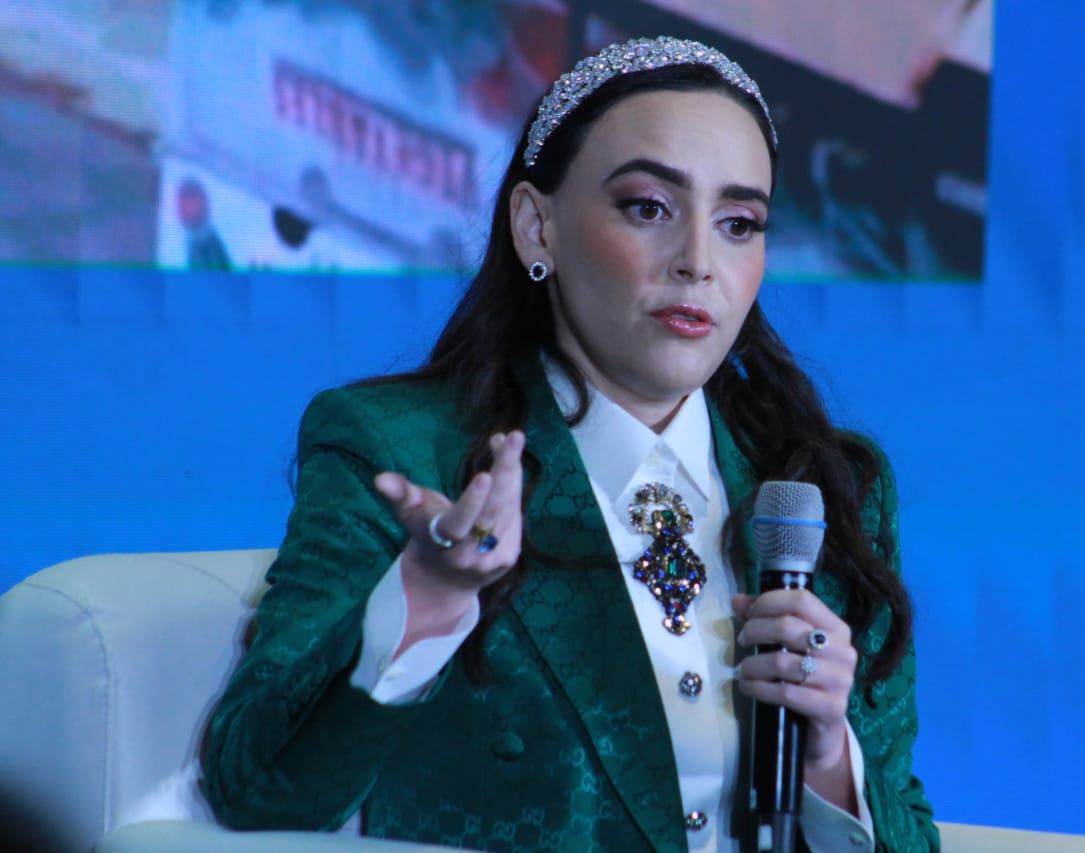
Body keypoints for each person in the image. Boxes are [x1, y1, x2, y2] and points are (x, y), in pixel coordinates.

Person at [200, 36, 939, 852]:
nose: (698, 263)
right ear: (536, 226)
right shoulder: (399, 447)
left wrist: (829, 761)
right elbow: (256, 790)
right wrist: (427, 597)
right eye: (648, 208)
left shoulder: (824, 484)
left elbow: (912, 833)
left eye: (738, 223)